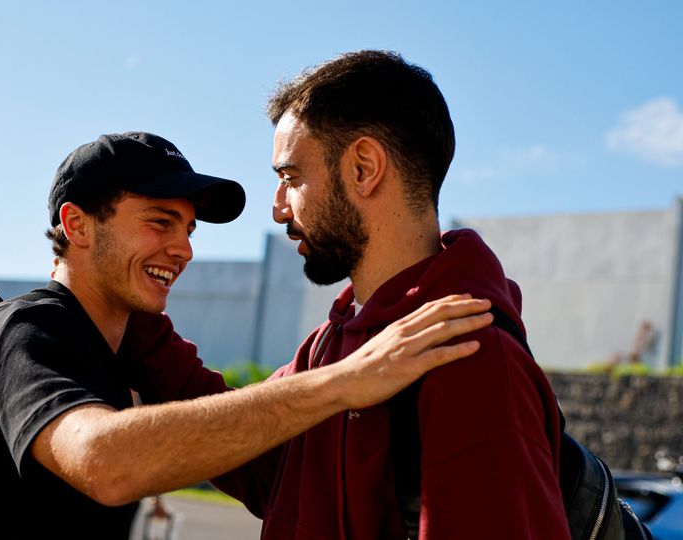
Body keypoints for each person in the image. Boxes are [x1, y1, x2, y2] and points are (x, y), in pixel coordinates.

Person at [0, 131, 493, 538]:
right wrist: (344, 381)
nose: (182, 249)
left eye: (187, 229)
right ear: (77, 224)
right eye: (160, 221)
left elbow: (243, 447)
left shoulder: (122, 346)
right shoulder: (24, 332)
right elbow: (104, 463)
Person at [126, 52, 570, 538]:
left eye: (291, 178)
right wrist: (131, 312)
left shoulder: (465, 355)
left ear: (363, 168)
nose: (278, 209)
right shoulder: (330, 346)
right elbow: (250, 456)